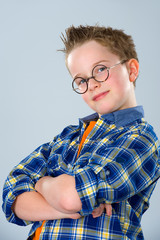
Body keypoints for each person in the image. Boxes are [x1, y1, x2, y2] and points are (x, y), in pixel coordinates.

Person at [2, 25, 160, 240]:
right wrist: (59, 205)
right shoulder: (68, 137)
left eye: (101, 69)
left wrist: (41, 183)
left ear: (131, 70)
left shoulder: (140, 138)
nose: (92, 84)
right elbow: (12, 196)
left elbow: (71, 197)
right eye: (81, 80)